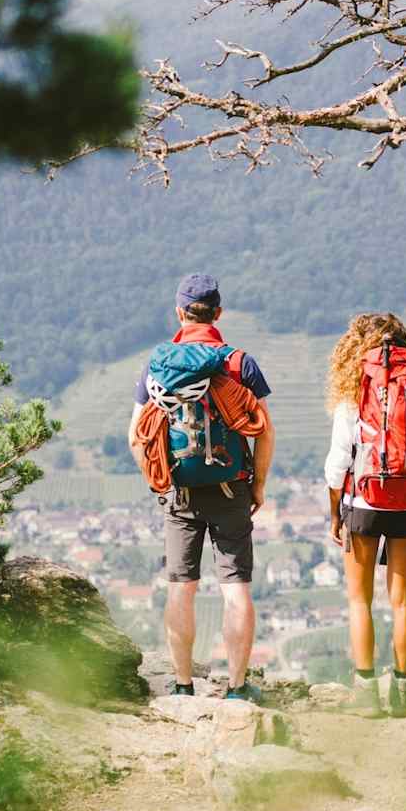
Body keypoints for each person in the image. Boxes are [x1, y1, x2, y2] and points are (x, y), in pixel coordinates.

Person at [128, 273, 275, 702]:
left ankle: (182, 684)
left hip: (180, 492)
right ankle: (237, 688)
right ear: (219, 314)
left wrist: (159, 481)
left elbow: (136, 435)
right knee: (235, 587)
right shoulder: (238, 362)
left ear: (179, 312)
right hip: (232, 488)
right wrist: (259, 486)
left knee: (181, 586)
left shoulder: (158, 366)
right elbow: (265, 431)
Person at [323, 313, 406, 718]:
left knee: (360, 600)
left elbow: (339, 459)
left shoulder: (357, 384)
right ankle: (403, 690)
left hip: (364, 500)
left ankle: (366, 691)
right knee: (402, 600)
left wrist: (335, 512)